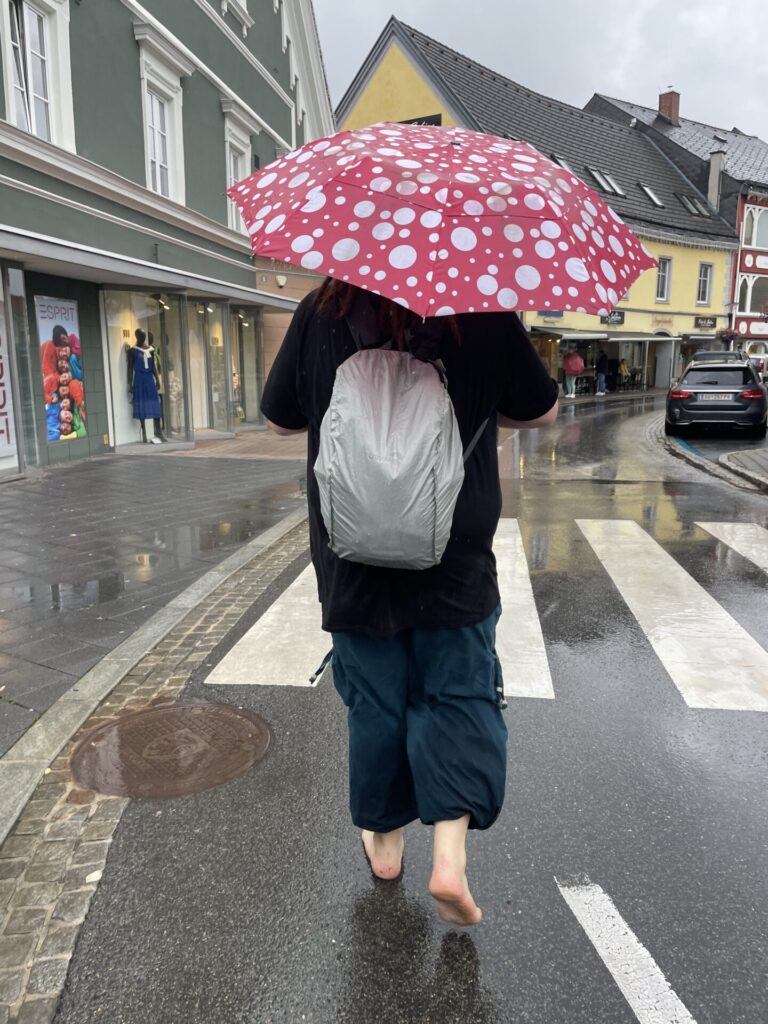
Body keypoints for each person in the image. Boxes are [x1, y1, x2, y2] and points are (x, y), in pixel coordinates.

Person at [261, 280, 558, 927]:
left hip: (351, 557)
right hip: (454, 553)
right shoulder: (483, 309)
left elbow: (280, 416)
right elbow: (540, 410)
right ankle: (448, 856)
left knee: (375, 701)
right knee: (457, 691)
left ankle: (386, 844)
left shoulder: (321, 311)